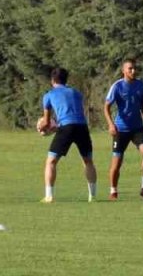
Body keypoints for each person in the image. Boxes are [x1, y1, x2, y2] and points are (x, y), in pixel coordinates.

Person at [39, 67, 97, 203]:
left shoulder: (49, 95)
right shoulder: (76, 93)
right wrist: (55, 127)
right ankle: (92, 196)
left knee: (51, 161)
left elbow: (46, 122)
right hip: (82, 127)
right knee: (88, 161)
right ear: (66, 80)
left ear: (52, 80)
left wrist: (41, 128)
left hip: (66, 127)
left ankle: (49, 196)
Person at [103, 59, 143, 200]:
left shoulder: (141, 85)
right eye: (130, 68)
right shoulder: (117, 86)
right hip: (121, 130)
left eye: (134, 68)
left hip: (137, 128)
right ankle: (113, 191)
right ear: (123, 70)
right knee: (117, 162)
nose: (133, 71)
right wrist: (111, 125)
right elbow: (106, 107)